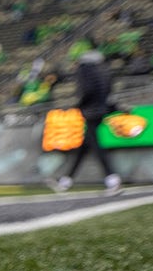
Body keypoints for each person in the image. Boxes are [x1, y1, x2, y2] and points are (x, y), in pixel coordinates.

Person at [49, 44, 122, 195]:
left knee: (96, 145)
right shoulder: (104, 70)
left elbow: (86, 90)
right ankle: (66, 181)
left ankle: (112, 178)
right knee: (84, 147)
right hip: (101, 110)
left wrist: (78, 105)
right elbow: (108, 91)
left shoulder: (85, 69)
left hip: (90, 111)